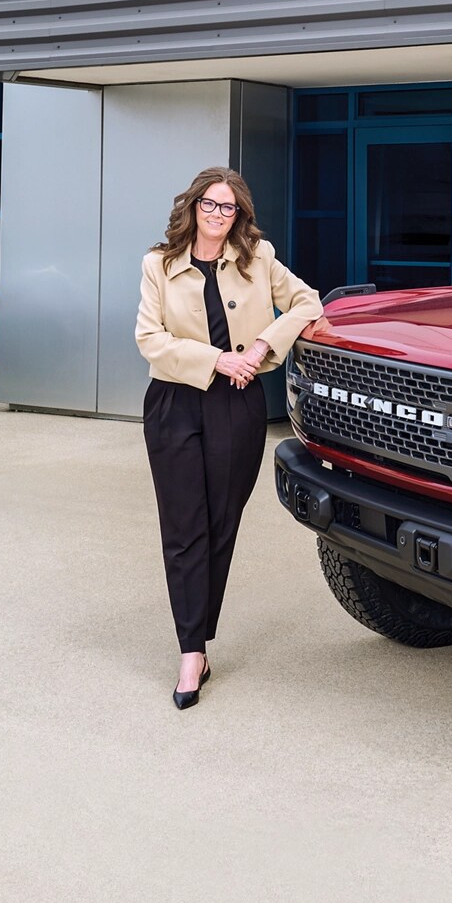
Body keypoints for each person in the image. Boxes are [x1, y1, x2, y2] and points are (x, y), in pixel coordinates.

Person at [135, 166, 322, 709]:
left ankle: (199, 633)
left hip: (237, 405)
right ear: (193, 207)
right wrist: (217, 358)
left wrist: (261, 349)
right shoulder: (159, 264)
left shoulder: (257, 256)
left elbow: (308, 302)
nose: (218, 216)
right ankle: (191, 651)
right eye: (209, 205)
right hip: (175, 402)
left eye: (228, 208)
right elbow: (149, 338)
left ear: (239, 214)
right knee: (184, 526)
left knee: (220, 523)